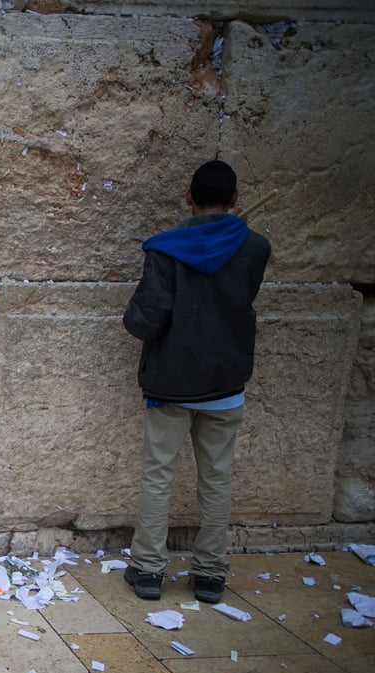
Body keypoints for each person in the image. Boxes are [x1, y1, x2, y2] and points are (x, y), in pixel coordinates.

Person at [122, 159, 270, 603]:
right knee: (217, 478)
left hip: (171, 382)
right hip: (225, 382)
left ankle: (148, 571)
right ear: (236, 199)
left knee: (158, 476)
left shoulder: (165, 250)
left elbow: (146, 320)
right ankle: (209, 575)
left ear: (188, 196)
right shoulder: (255, 247)